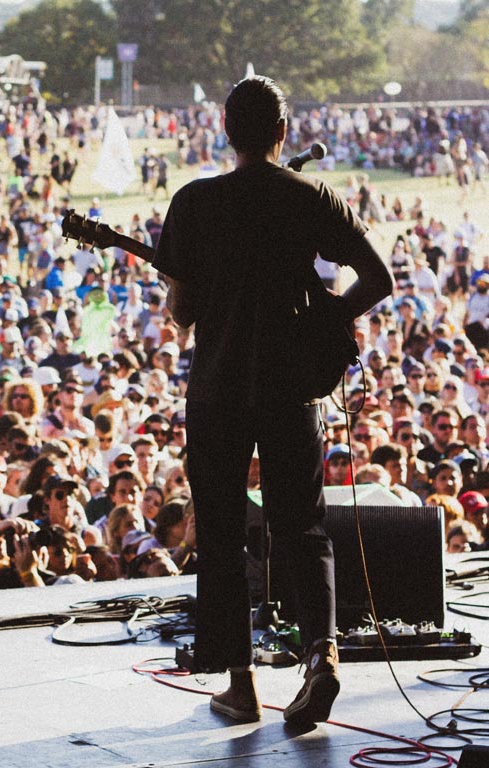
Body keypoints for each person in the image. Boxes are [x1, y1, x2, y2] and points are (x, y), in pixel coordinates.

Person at [153, 76, 393, 727]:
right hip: (292, 387)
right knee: (303, 526)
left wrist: (196, 291)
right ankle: (323, 656)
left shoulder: (195, 202)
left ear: (226, 130)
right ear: (284, 132)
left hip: (220, 388)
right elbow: (380, 277)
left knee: (226, 532)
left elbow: (181, 311)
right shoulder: (310, 195)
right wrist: (329, 318)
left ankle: (241, 683)